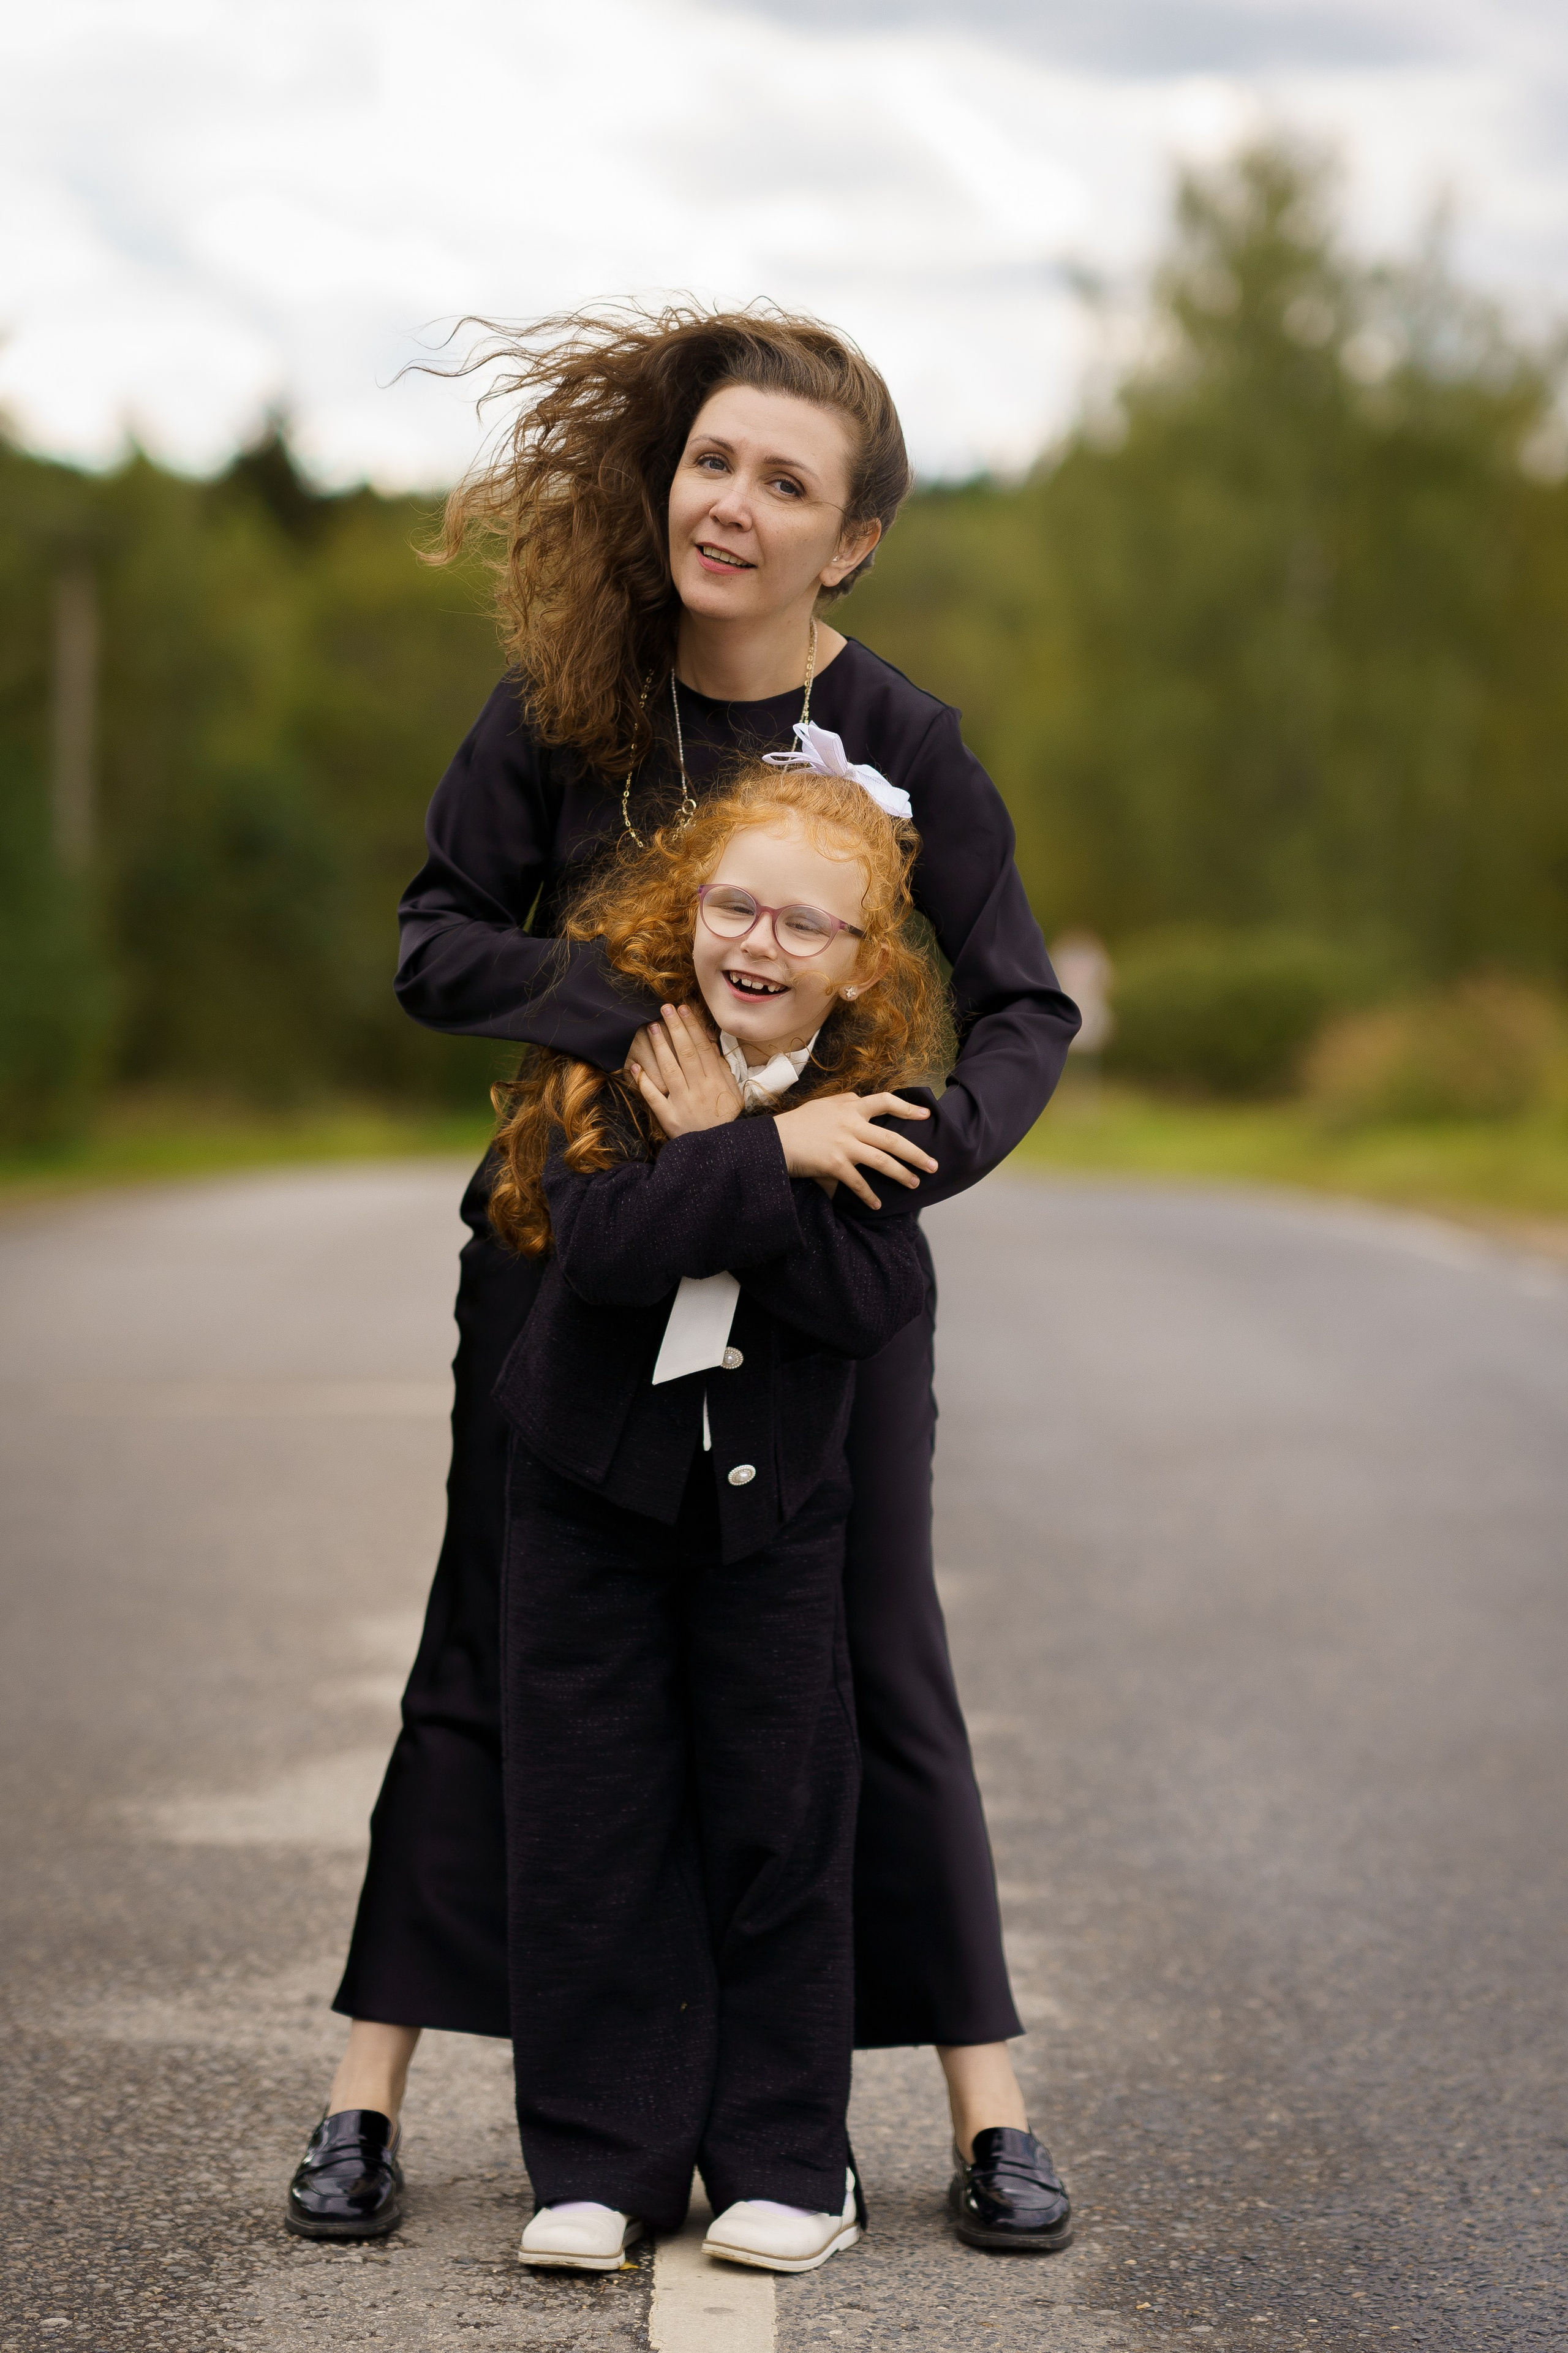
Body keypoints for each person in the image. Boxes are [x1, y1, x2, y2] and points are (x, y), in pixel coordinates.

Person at [285, 306, 1079, 2256]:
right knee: (486, 1643)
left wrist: (880, 1172)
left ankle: (988, 2114)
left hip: (818, 1294)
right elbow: (432, 943)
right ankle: (364, 2099)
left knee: (875, 1649)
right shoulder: (565, 707)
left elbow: (1025, 1010)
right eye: (713, 462)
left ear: (854, 537)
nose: (731, 506)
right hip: (568, 1264)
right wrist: (649, 1022)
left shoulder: (906, 743)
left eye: (784, 484)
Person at [497, 759, 940, 2273]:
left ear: (861, 962)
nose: (755, 943)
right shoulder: (617, 1058)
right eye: (732, 905)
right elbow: (607, 1249)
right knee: (586, 1827)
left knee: (777, 1825)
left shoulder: (870, 1113)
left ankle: (784, 2157)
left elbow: (870, 1299)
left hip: (769, 1525)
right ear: (686, 908)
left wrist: (729, 1154)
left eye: (801, 925)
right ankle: (599, 2162)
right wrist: (755, 1164)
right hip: (583, 1504)